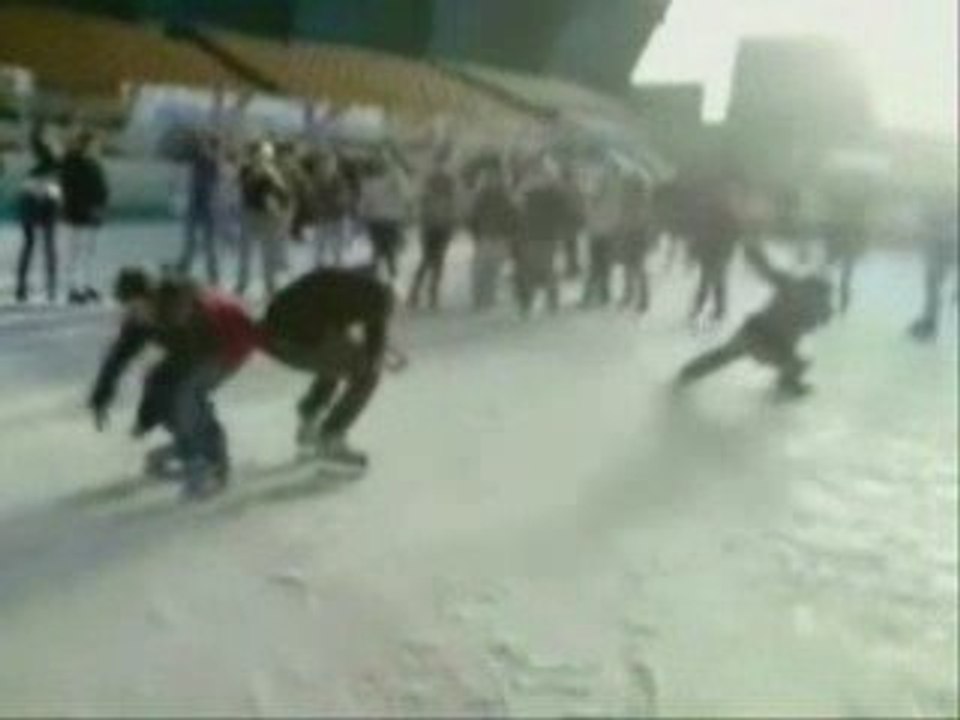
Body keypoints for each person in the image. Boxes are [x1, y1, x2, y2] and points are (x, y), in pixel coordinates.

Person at [88, 268, 258, 498]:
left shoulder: (177, 305)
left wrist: (146, 415)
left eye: (136, 306)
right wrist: (101, 398)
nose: (134, 313)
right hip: (205, 347)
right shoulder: (140, 320)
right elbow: (119, 356)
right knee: (166, 387)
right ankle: (201, 451)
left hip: (230, 341)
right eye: (128, 308)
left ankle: (207, 459)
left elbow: (187, 363)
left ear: (148, 296)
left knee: (184, 393)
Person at [259, 267, 395, 466]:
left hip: (270, 334)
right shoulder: (378, 296)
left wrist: (372, 350)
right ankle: (331, 436)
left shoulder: (338, 285)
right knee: (367, 374)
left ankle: (309, 420)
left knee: (337, 361)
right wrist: (377, 356)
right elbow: (373, 348)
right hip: (295, 340)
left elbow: (336, 330)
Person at [676, 246, 833, 397]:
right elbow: (816, 324)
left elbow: (767, 270)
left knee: (723, 355)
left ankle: (689, 373)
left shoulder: (791, 284)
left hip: (754, 332)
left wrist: (755, 255)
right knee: (798, 363)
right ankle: (787, 383)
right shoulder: (818, 304)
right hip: (771, 341)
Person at [60, 128, 109, 304]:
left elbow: (102, 188)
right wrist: (89, 206)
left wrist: (101, 208)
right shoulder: (71, 161)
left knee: (88, 252)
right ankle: (73, 288)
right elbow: (71, 188)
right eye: (92, 145)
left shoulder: (94, 164)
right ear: (84, 144)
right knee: (73, 252)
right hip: (75, 214)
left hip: (91, 216)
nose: (94, 148)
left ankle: (86, 285)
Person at [236, 141, 290, 299]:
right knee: (245, 252)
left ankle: (270, 286)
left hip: (267, 218)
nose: (262, 159)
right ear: (253, 156)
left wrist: (278, 210)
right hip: (250, 214)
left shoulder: (274, 174)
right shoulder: (246, 171)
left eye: (266, 157)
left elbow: (283, 195)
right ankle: (242, 283)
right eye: (259, 156)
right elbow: (243, 189)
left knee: (267, 254)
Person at [15, 122, 61, 304]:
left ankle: (25, 286)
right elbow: (54, 176)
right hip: (41, 199)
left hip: (33, 198)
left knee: (32, 244)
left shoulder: (43, 156)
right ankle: (49, 287)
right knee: (45, 245)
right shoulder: (49, 156)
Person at [687, 174, 742, 324]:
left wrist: (697, 248)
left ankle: (707, 309)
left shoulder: (728, 213)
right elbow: (701, 231)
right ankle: (713, 310)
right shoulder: (713, 211)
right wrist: (695, 248)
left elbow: (734, 234)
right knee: (712, 281)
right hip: (713, 251)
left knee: (711, 281)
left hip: (719, 252)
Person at [515, 158, 567, 315]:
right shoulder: (553, 193)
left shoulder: (530, 193)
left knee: (533, 269)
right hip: (543, 235)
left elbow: (517, 209)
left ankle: (531, 303)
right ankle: (548, 302)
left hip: (534, 235)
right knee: (544, 268)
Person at [908, 188, 958, 342]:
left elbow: (934, 231)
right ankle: (930, 321)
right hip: (943, 251)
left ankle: (930, 323)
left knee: (933, 288)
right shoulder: (945, 212)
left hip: (941, 252)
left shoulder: (940, 213)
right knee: (933, 288)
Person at [409, 159, 459, 310]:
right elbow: (450, 215)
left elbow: (422, 214)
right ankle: (429, 295)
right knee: (436, 262)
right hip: (438, 229)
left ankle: (417, 293)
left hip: (432, 229)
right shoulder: (442, 197)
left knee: (427, 261)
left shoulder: (428, 196)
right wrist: (451, 228)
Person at [468, 163, 520, 310]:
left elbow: (472, 216)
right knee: (490, 269)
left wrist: (475, 233)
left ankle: (481, 298)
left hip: (489, 236)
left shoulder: (483, 195)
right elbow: (514, 215)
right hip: (496, 236)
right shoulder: (505, 195)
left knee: (482, 268)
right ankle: (486, 298)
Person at [177, 130, 221, 284]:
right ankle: (185, 272)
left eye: (205, 144)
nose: (203, 147)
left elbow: (211, 187)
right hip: (197, 208)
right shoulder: (199, 161)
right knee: (193, 244)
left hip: (205, 209)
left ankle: (212, 277)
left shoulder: (211, 162)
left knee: (205, 246)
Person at [357, 156, 409, 281]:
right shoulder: (393, 180)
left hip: (378, 220)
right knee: (389, 252)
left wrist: (361, 216)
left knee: (378, 252)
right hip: (389, 220)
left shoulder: (369, 182)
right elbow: (405, 195)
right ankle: (391, 278)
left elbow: (363, 204)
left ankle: (377, 277)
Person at [581, 166, 624, 309]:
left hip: (597, 232)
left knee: (595, 265)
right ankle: (604, 295)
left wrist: (588, 198)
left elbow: (589, 209)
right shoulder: (618, 193)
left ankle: (588, 296)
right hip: (610, 232)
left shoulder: (599, 191)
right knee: (605, 265)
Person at [619, 175, 658, 314]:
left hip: (636, 237)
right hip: (636, 237)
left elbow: (640, 222)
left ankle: (638, 298)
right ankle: (634, 297)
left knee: (636, 269)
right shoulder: (642, 201)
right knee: (633, 269)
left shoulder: (640, 202)